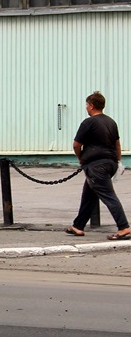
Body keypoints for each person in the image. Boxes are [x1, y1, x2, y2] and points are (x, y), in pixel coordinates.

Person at [64, 91, 131, 239]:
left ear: (91, 106)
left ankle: (124, 227)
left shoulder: (88, 123)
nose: (86, 108)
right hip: (111, 163)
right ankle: (78, 226)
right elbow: (117, 144)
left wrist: (81, 158)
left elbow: (76, 144)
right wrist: (117, 161)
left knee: (108, 196)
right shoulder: (111, 122)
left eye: (87, 105)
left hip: (96, 166)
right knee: (89, 195)